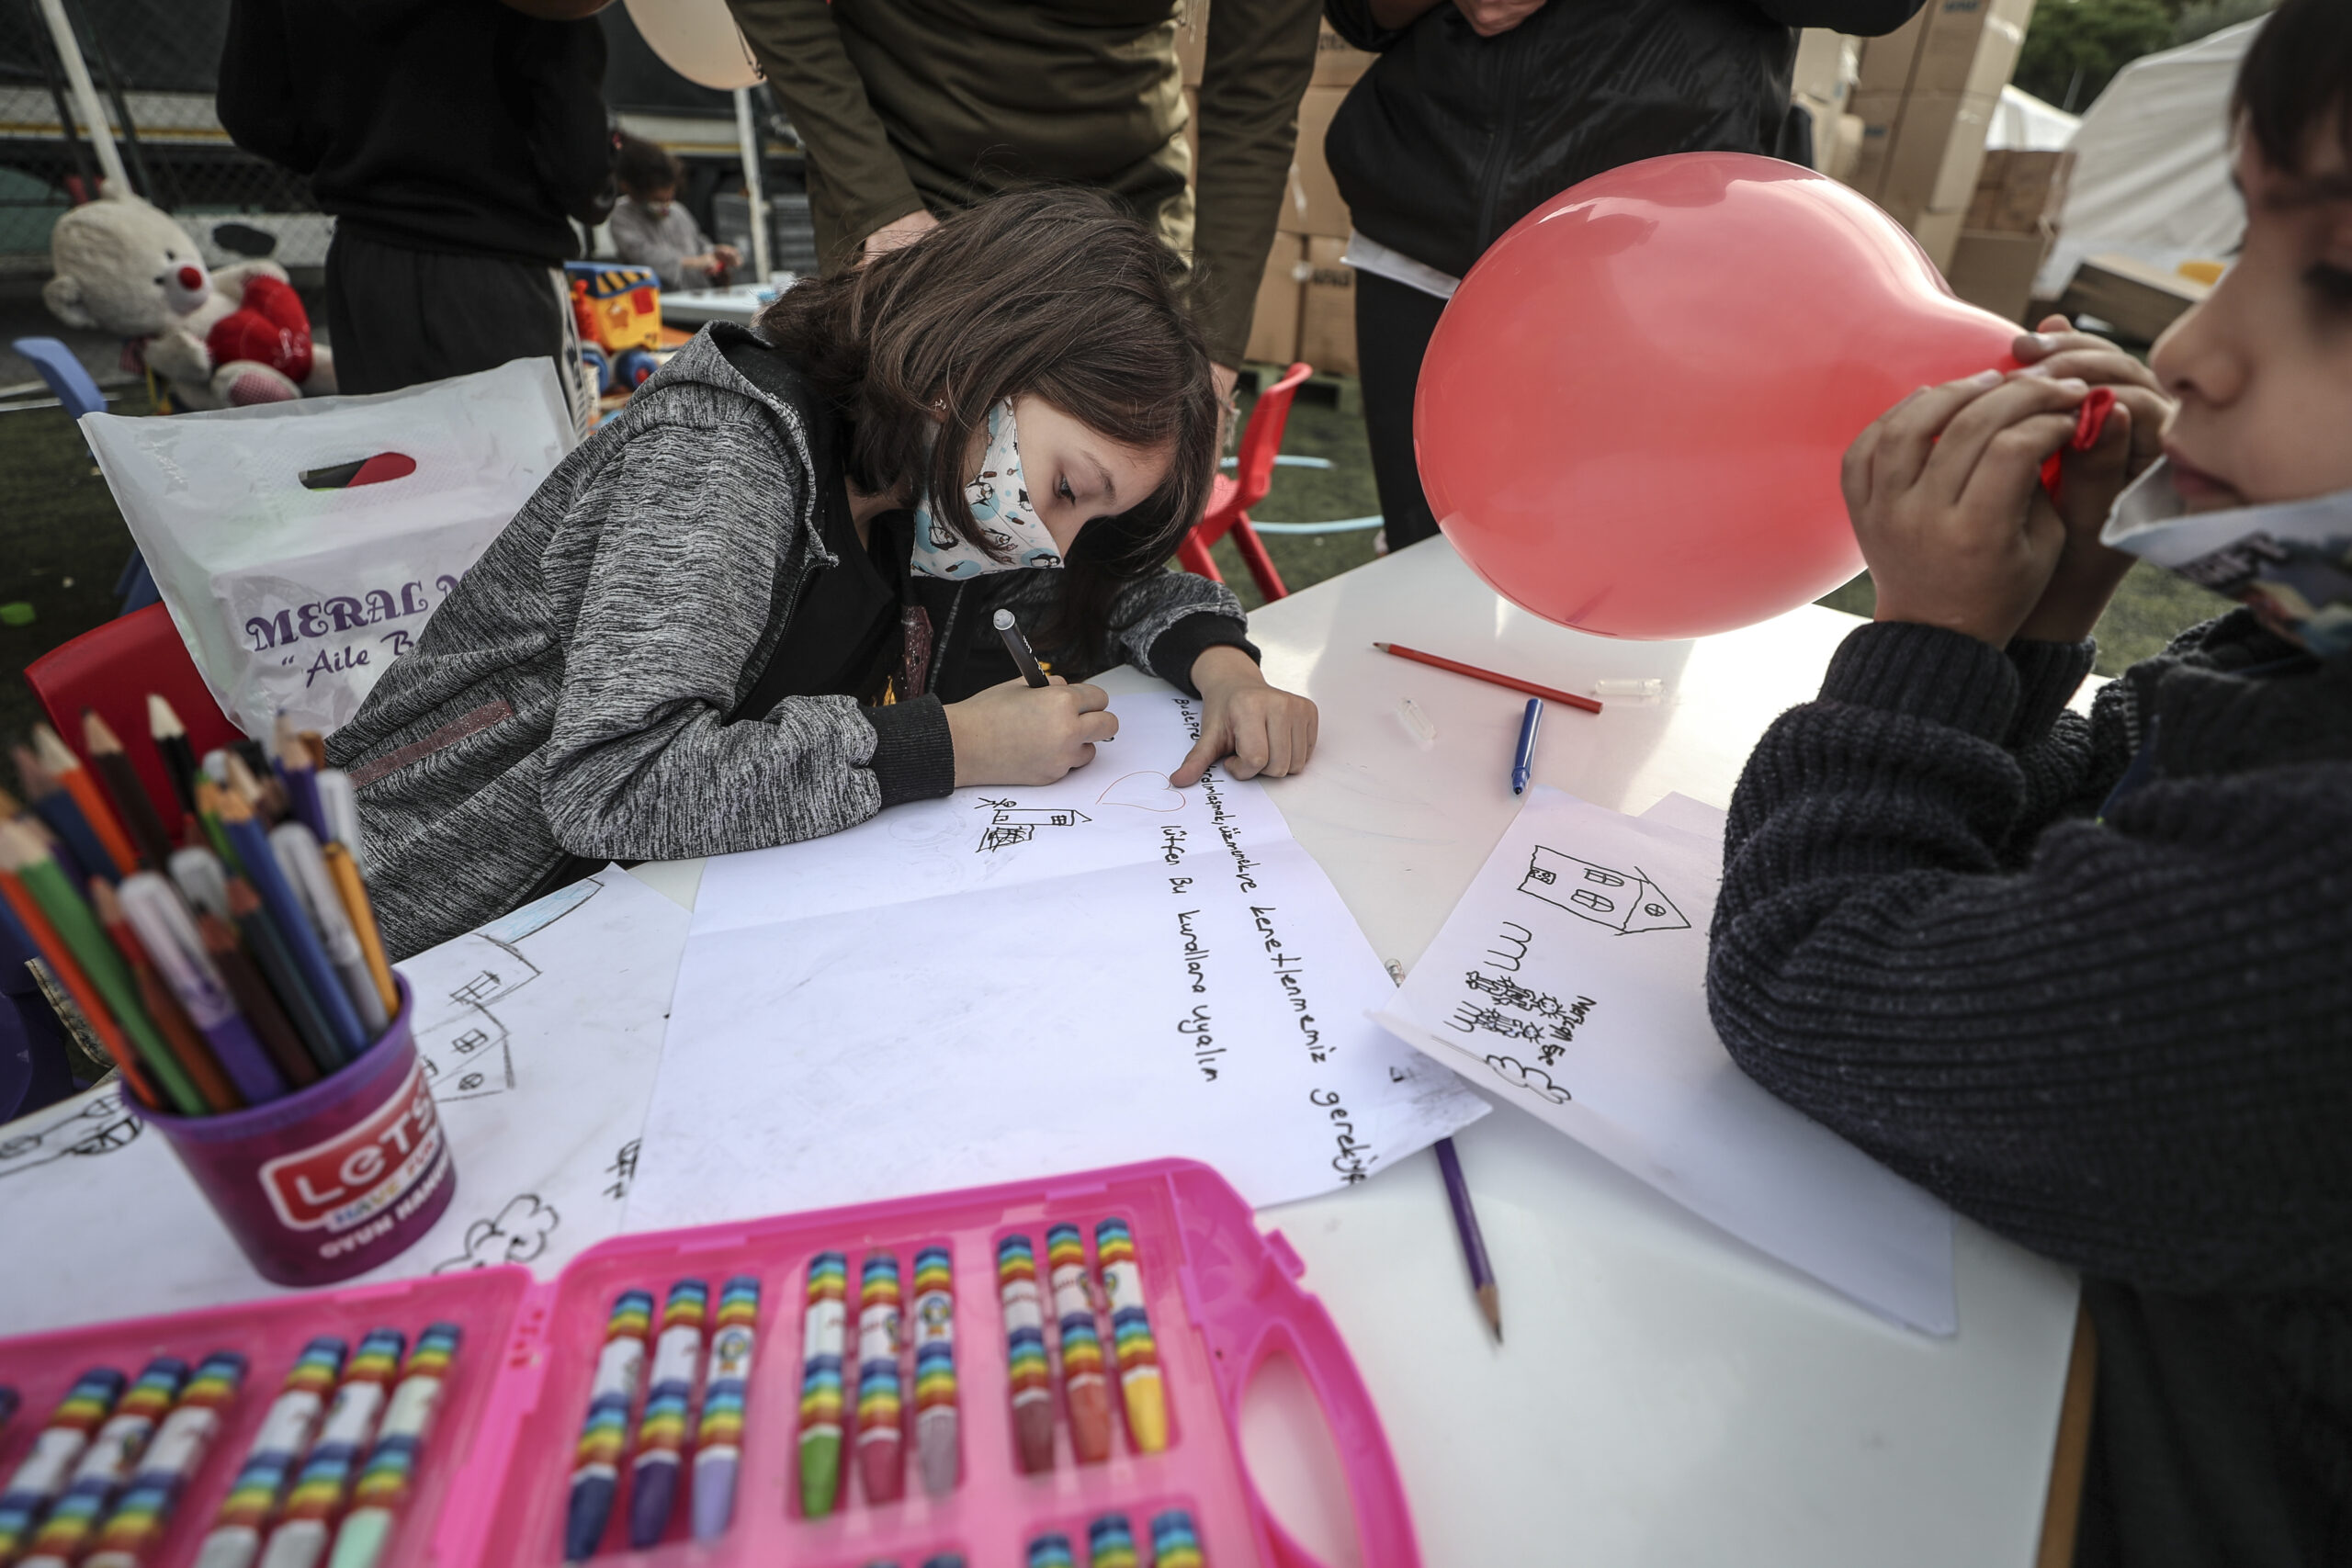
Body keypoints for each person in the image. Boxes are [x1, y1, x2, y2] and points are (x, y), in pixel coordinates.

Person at [1704, 2, 2352, 1560]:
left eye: (2335, 282)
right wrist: (2044, 620)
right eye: (2247, 241)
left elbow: (1807, 965)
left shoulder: (2314, 905)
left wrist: (1929, 640)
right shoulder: (2309, 665)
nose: (2189, 349)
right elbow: (2090, 824)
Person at [326, 190, 1320, 959]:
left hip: (627, 925)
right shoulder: (726, 453)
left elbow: (1105, 590)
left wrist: (1224, 666)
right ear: (970, 367)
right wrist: (950, 745)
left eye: (1088, 519)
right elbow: (613, 784)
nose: (1053, 544)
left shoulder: (925, 493)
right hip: (413, 942)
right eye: (1067, 490)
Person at [1322, 0, 1924, 550]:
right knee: (1428, 558)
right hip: (1423, 227)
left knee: (1635, 560)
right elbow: (1357, 17)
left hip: (1652, 266)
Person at [723, 0, 1323, 401]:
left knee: (1110, 517)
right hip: (908, 185)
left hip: (1126, 211)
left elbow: (1256, 97)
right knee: (904, 506)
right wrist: (880, 208)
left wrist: (1214, 357)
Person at [217, 0, 618, 429]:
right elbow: (580, 164)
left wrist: (359, 162)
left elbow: (252, 111)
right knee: (536, 466)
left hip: (365, 266)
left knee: (394, 461)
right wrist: (598, 183)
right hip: (499, 266)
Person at [609, 132, 741, 291]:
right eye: (657, 200)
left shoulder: (678, 212)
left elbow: (700, 245)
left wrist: (716, 254)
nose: (665, 206)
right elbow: (645, 257)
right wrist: (696, 262)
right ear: (634, 192)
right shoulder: (622, 216)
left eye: (669, 198)